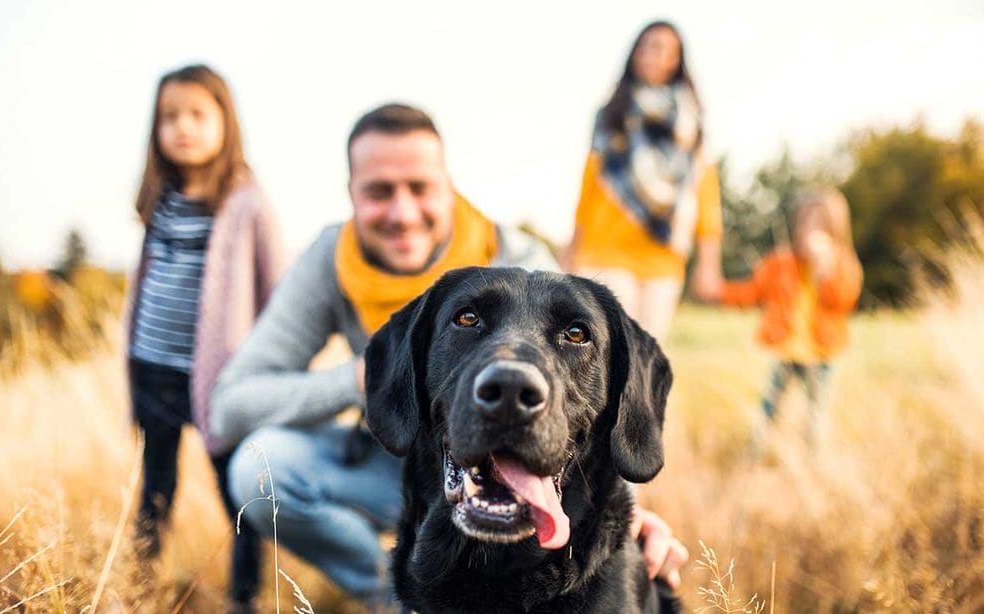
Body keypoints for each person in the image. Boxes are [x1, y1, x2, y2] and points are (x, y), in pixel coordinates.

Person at [210, 104, 689, 610]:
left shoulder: (521, 260)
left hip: (531, 458)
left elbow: (586, 396)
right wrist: (371, 378)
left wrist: (628, 516)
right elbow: (231, 404)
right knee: (260, 465)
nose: (402, 212)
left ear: (448, 186)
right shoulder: (331, 260)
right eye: (379, 191)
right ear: (351, 194)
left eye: (419, 188)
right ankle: (392, 593)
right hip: (403, 450)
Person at [125, 64, 287, 612]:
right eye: (170, 117)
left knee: (239, 492)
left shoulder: (247, 201)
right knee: (155, 490)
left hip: (222, 381)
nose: (183, 127)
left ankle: (246, 597)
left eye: (198, 114)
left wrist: (269, 369)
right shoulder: (159, 198)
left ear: (225, 121)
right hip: (152, 368)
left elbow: (280, 294)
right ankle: (140, 586)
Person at [566, 20, 723, 342]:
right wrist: (572, 248)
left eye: (666, 49)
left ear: (677, 61)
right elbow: (590, 186)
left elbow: (705, 193)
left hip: (663, 257)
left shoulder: (692, 124)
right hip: (605, 249)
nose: (654, 55)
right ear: (635, 53)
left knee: (646, 355)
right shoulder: (612, 114)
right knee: (606, 348)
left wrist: (709, 261)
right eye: (648, 45)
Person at [717, 188, 863, 446]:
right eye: (807, 222)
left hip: (821, 354)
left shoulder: (843, 265)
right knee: (769, 406)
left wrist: (825, 271)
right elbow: (752, 292)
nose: (812, 230)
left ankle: (813, 456)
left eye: (821, 223)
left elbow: (843, 300)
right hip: (787, 350)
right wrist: (719, 291)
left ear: (836, 228)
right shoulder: (780, 263)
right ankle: (755, 450)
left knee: (816, 411)